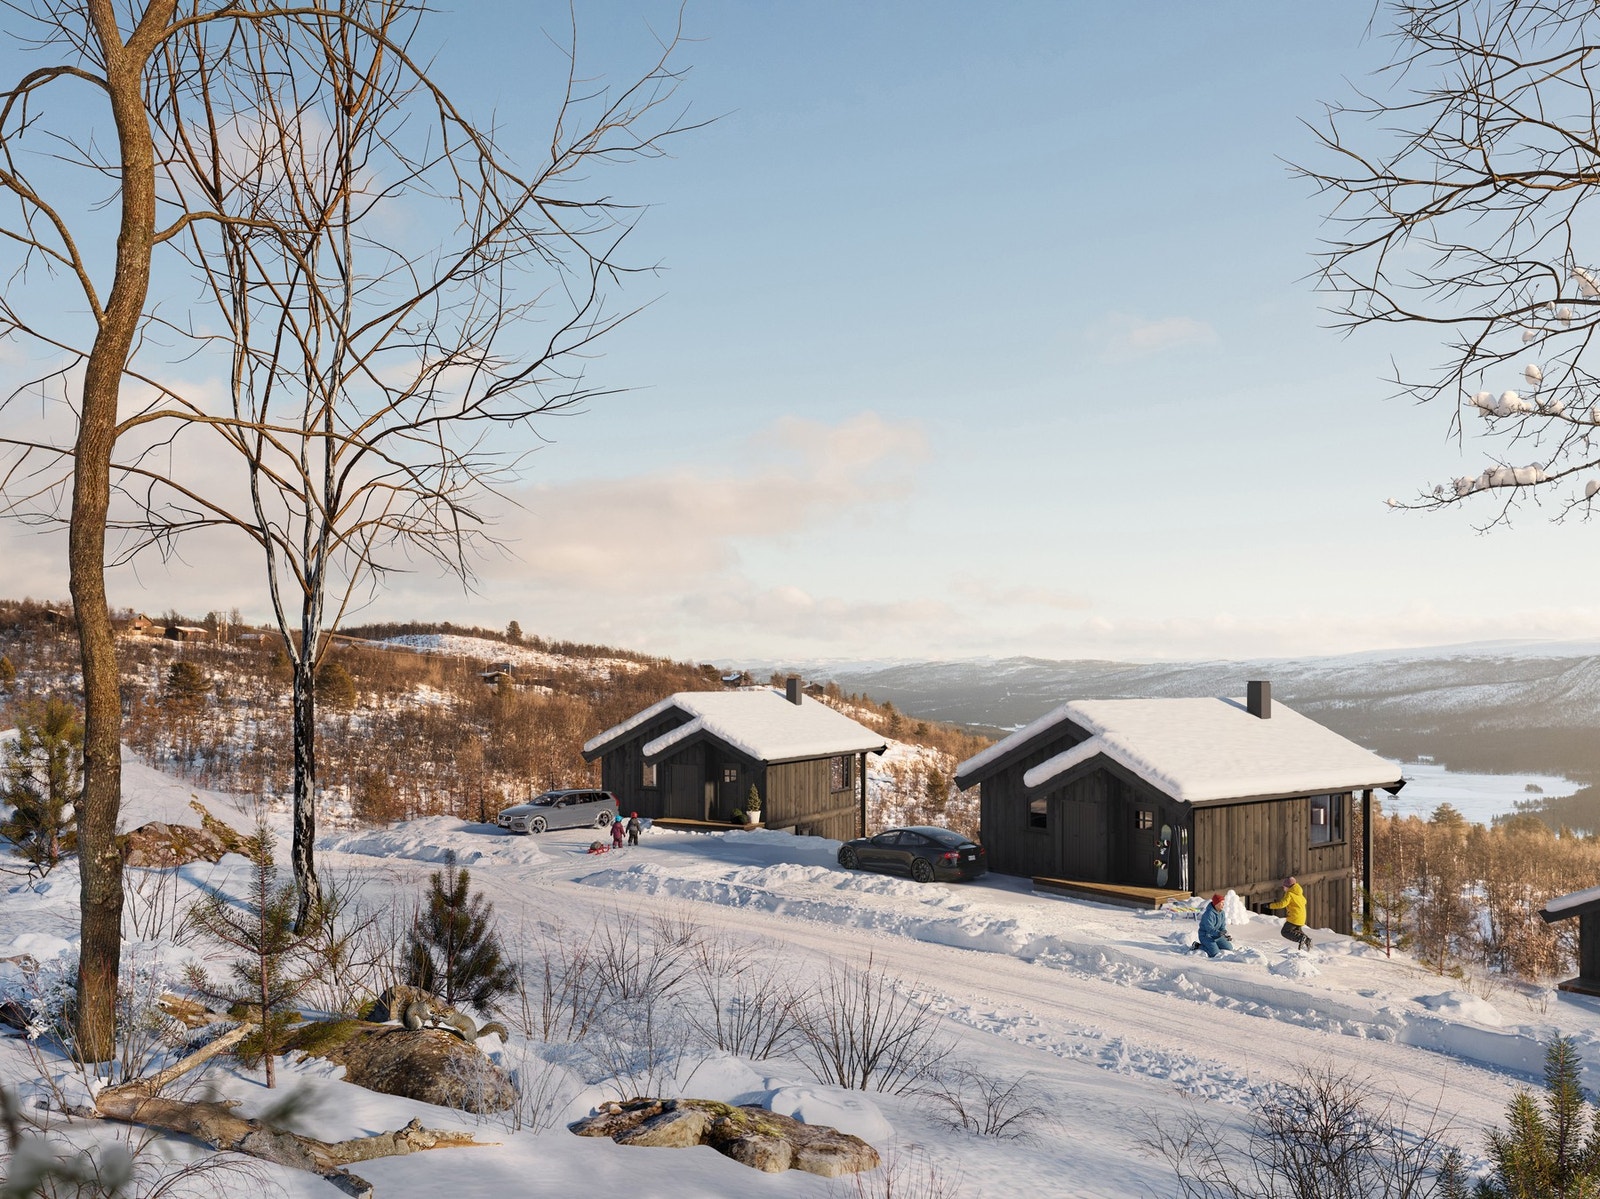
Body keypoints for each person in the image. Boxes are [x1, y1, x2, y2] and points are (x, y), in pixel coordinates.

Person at [1269, 877, 1312, 951]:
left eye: (1284, 886)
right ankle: (1306, 940)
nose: (1283, 888)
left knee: (1285, 932)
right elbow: (1304, 901)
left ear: (1288, 887)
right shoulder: (1299, 894)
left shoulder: (1289, 894)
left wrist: (1270, 905)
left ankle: (1302, 938)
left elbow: (1282, 904)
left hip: (1294, 918)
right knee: (1296, 932)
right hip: (1301, 918)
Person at [1192, 893, 1233, 958]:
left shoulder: (1222, 913)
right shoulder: (1208, 914)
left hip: (1216, 935)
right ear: (1216, 903)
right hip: (1206, 936)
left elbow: (1222, 926)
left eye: (1223, 903)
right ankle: (1198, 946)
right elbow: (1209, 929)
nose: (1223, 905)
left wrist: (1225, 934)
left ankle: (1213, 945)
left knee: (1229, 948)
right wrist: (1219, 933)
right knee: (1214, 953)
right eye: (1221, 903)